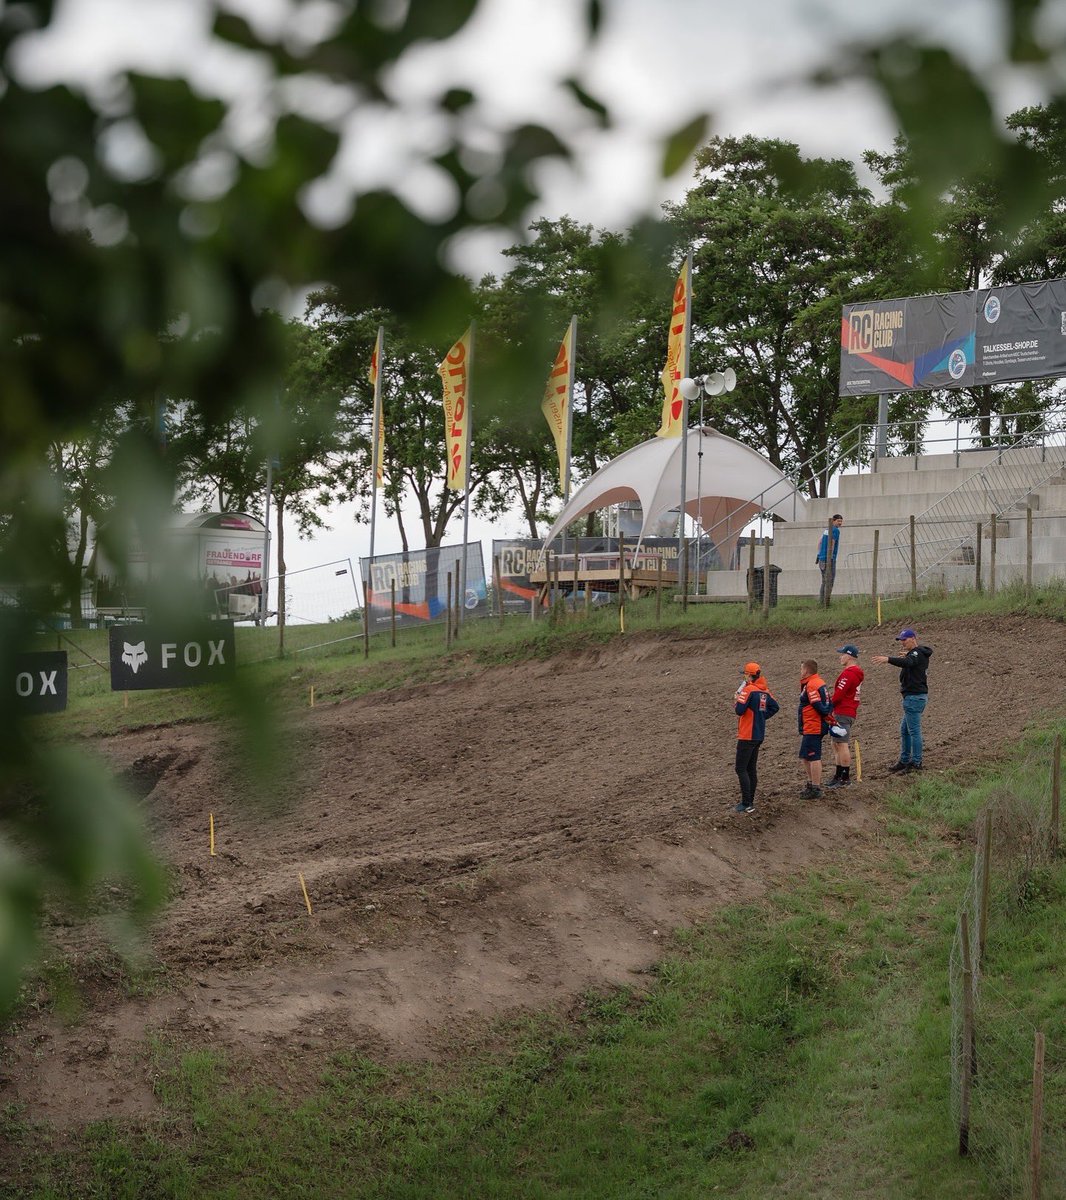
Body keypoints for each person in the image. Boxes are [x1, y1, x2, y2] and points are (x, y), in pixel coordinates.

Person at [872, 628, 933, 773]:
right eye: (901, 640)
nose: (902, 643)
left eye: (904, 640)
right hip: (914, 697)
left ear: (913, 638)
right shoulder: (918, 653)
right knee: (905, 730)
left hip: (913, 698)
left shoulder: (916, 653)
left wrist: (888, 659)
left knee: (913, 731)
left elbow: (908, 663)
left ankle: (916, 762)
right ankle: (905, 760)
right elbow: (910, 661)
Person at [733, 661, 780, 814]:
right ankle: (750, 801)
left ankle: (746, 803)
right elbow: (775, 707)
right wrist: (761, 717)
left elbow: (739, 710)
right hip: (758, 734)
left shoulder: (748, 690)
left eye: (745, 674)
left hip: (747, 734)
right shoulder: (764, 691)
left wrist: (737, 699)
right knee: (751, 769)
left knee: (741, 768)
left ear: (749, 675)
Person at [825, 643, 864, 788]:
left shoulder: (848, 674)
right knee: (836, 743)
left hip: (843, 711)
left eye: (842, 654)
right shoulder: (855, 673)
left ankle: (844, 776)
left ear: (849, 656)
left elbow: (839, 695)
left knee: (841, 744)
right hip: (846, 711)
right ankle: (839, 774)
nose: (840, 657)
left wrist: (828, 707)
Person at [797, 659, 832, 799]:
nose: (800, 672)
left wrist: (824, 714)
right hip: (812, 725)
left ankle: (815, 788)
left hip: (813, 725)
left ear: (806, 670)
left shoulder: (812, 684)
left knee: (813, 756)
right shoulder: (819, 682)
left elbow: (818, 705)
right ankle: (812, 784)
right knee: (805, 756)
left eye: (801, 669)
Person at [816, 514, 844, 606]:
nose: (840, 523)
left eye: (841, 521)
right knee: (830, 581)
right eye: (838, 521)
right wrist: (830, 557)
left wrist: (818, 554)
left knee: (824, 581)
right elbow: (832, 542)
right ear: (833, 521)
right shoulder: (835, 530)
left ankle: (822, 602)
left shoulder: (826, 530)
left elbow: (819, 542)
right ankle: (826, 602)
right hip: (829, 559)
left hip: (821, 559)